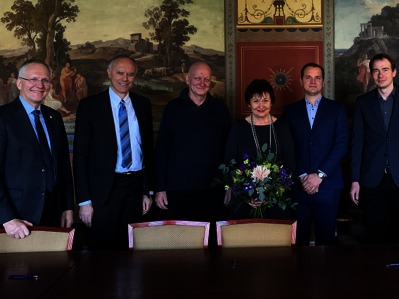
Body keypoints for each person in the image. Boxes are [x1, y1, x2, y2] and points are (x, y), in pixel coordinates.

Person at [0, 59, 74, 237]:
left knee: (55, 265)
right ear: (20, 83)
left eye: (45, 80)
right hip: (16, 217)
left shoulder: (54, 118)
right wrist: (7, 219)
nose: (40, 85)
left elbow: (63, 167)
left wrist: (67, 207)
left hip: (54, 211)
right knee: (14, 266)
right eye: (33, 79)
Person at [73, 55, 154, 250]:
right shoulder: (89, 106)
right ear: (109, 73)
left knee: (131, 248)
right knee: (102, 249)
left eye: (130, 74)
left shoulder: (143, 104)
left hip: (135, 187)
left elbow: (148, 150)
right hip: (104, 191)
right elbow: (80, 156)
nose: (124, 78)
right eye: (120, 72)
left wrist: (147, 191)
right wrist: (84, 201)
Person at [350, 53, 399, 244]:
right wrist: (355, 180)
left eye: (385, 70)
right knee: (376, 238)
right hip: (372, 180)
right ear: (371, 74)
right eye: (375, 71)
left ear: (394, 72)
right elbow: (357, 143)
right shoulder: (362, 102)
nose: (380, 75)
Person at [155, 62, 231, 230]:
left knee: (211, 243)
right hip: (177, 190)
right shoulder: (172, 108)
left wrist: (228, 185)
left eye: (206, 79)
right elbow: (162, 150)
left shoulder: (220, 109)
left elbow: (228, 152)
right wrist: (159, 188)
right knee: (182, 242)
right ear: (187, 78)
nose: (201, 83)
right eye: (197, 78)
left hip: (213, 189)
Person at [283, 63, 348, 246]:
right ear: (301, 81)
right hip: (298, 184)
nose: (313, 81)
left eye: (317, 77)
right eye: (308, 77)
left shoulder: (337, 109)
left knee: (326, 239)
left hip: (328, 184)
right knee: (299, 240)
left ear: (324, 81)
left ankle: (325, 275)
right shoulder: (290, 111)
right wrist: (303, 176)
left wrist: (319, 175)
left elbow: (341, 144)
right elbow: (288, 147)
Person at [224, 79, 296, 219]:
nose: (261, 105)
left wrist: (271, 193)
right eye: (256, 101)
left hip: (276, 199)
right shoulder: (238, 128)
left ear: (272, 102)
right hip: (243, 200)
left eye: (265, 100)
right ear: (249, 103)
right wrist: (246, 195)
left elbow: (290, 164)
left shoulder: (282, 127)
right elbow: (229, 163)